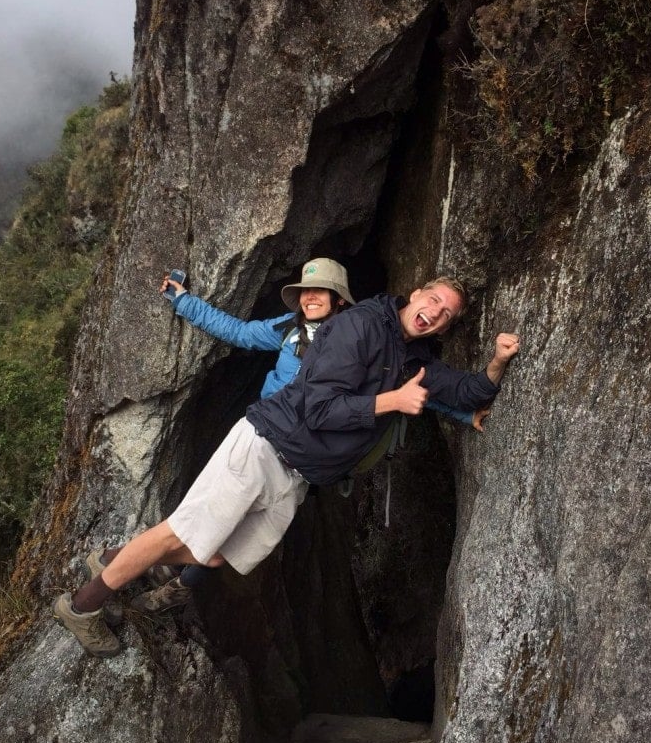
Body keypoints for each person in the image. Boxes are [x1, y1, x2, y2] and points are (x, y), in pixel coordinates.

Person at [53, 276, 520, 657]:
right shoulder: (357, 328)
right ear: (415, 293)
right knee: (180, 535)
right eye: (433, 299)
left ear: (443, 327)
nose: (436, 311)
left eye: (447, 314)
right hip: (264, 446)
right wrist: (390, 401)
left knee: (216, 555)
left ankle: (117, 562)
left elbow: (469, 393)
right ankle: (82, 606)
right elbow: (319, 410)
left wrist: (498, 360)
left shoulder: (411, 357)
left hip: (296, 475)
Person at [134, 260, 485, 614]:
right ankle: (136, 564)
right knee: (215, 519)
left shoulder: (368, 339)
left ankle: (175, 584)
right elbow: (238, 332)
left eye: (322, 292)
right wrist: (183, 301)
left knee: (236, 536)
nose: (311, 298)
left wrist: (465, 414)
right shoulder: (290, 329)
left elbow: (420, 389)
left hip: (307, 458)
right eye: (306, 292)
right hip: (268, 439)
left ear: (340, 301)